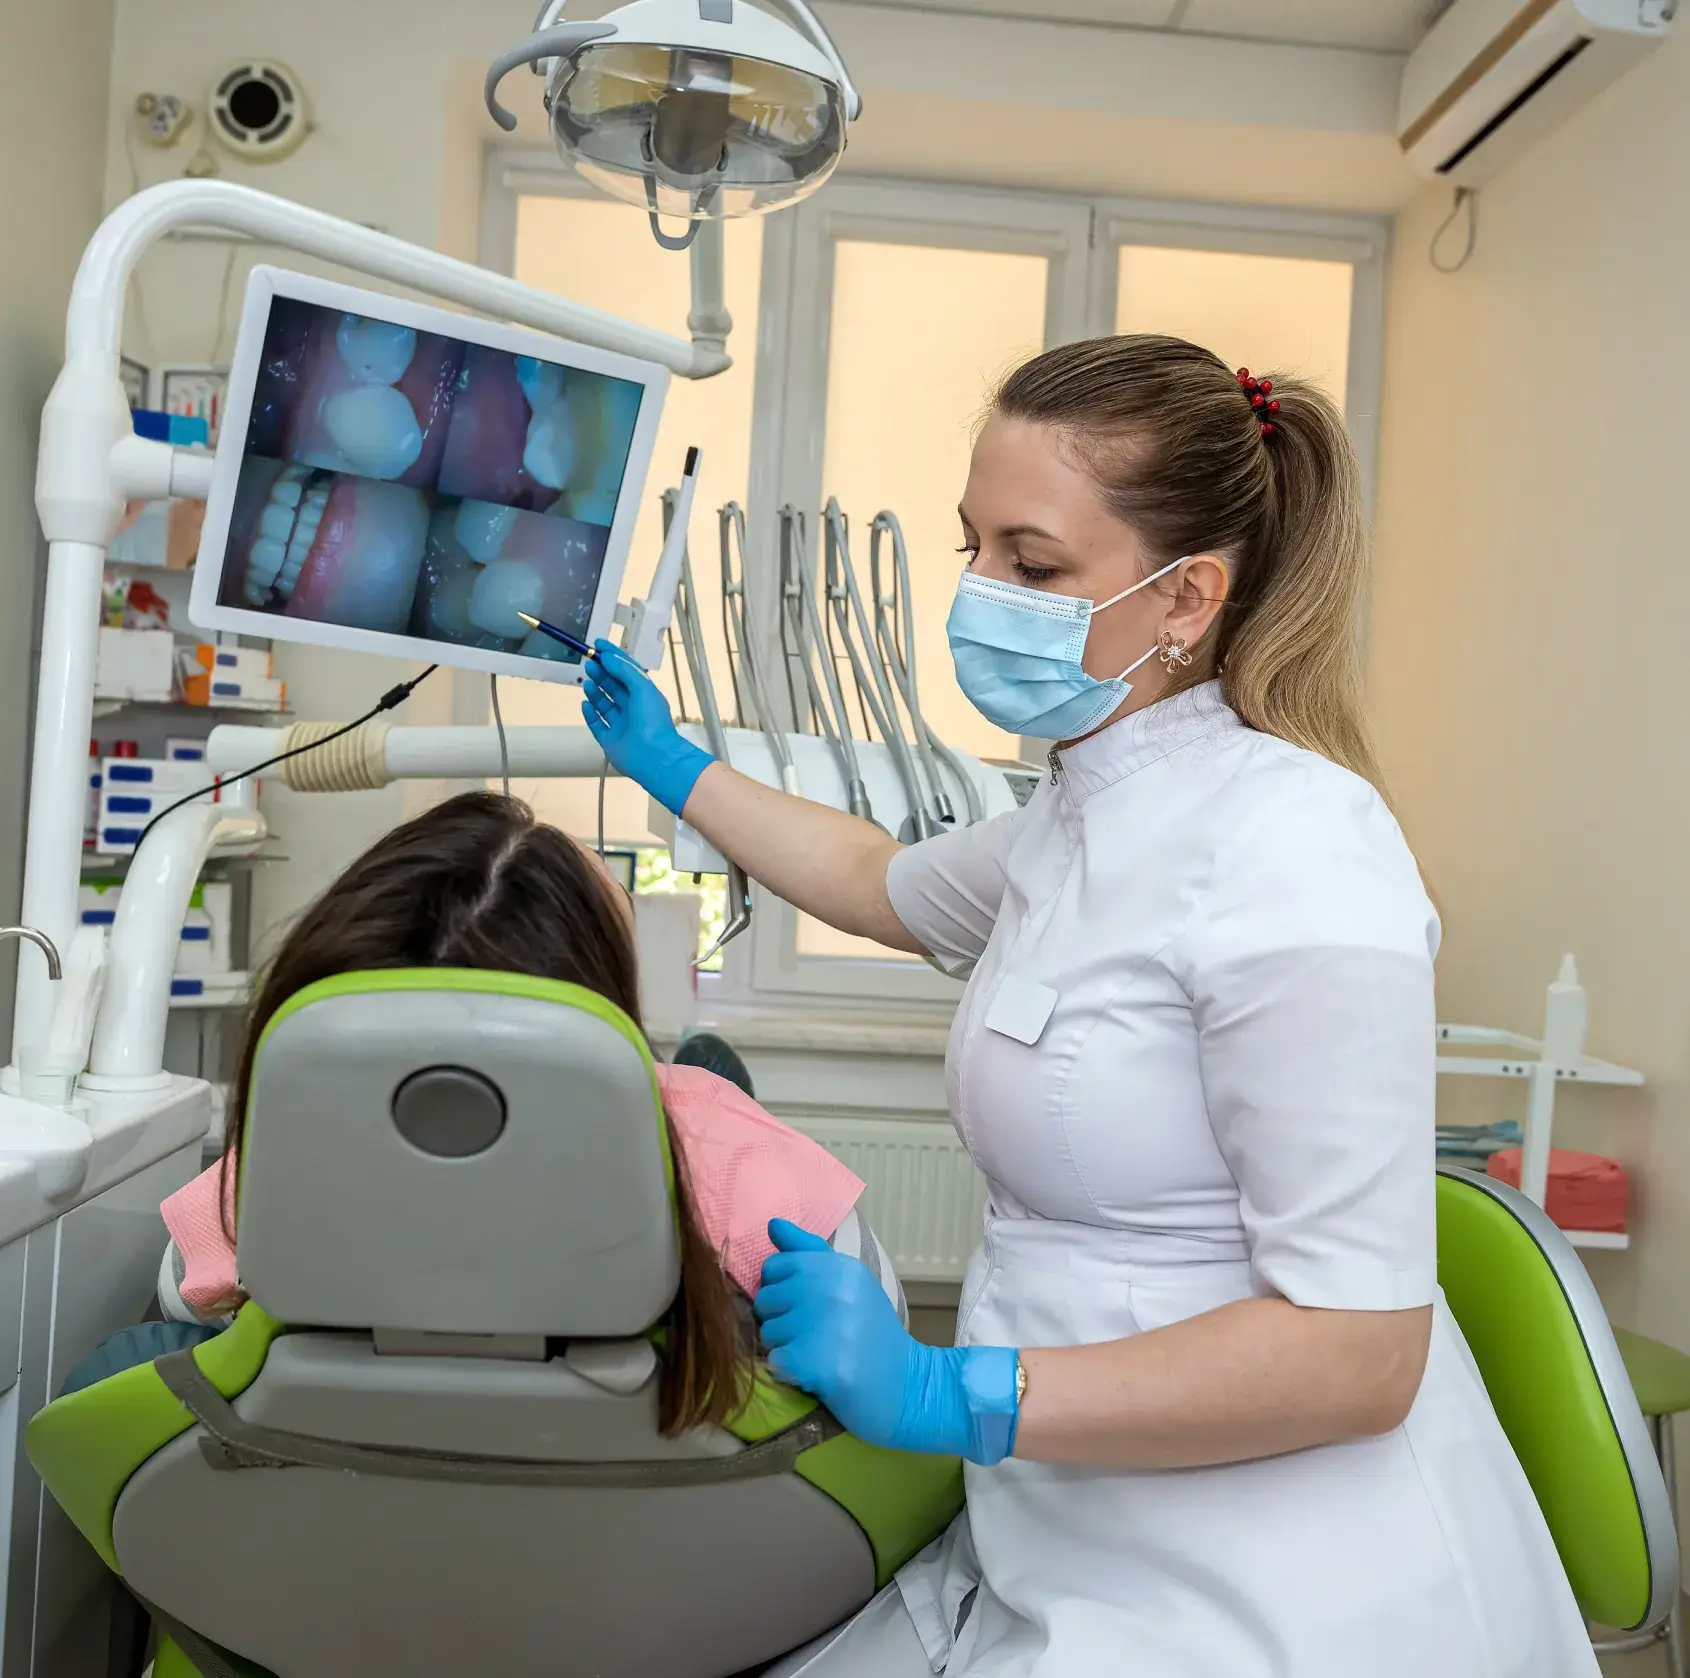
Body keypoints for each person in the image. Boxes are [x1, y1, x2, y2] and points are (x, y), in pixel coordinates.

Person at [582, 336, 1598, 1675]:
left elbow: (1358, 1353)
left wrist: (946, 1389)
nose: (981, 597)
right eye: (974, 550)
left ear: (1185, 597)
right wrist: (671, 763)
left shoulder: (1297, 848)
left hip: (1265, 1569)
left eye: (1033, 562)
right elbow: (878, 881)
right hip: (1064, 1508)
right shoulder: (1080, 808)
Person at [65, 792, 903, 1425]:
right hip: (642, 1560)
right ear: (602, 993)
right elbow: (878, 1328)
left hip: (359, 1536)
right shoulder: (736, 1160)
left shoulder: (283, 1160)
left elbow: (179, 1290)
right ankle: (687, 1070)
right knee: (707, 1076)